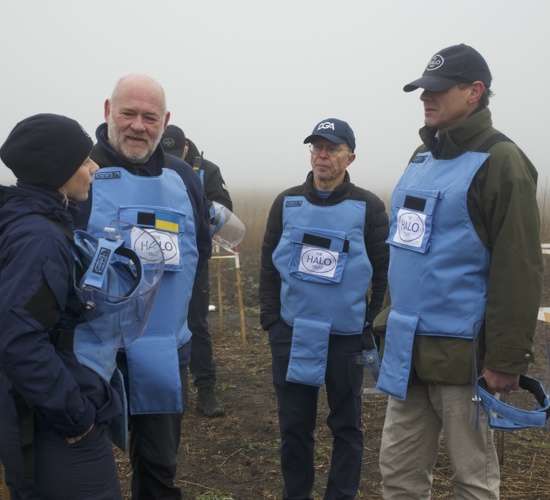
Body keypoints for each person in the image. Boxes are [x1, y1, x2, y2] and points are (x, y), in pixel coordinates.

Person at [375, 44, 543, 498]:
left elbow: (519, 267)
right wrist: (386, 324)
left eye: (438, 89)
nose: (425, 97)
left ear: (475, 92)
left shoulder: (502, 161)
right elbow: (405, 250)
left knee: (472, 479)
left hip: (464, 360)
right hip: (407, 352)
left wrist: (506, 359)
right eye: (422, 90)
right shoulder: (420, 157)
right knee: (398, 472)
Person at [74, 75, 212, 499]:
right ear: (107, 111)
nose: (138, 126)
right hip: (90, 353)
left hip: (163, 350)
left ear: (165, 120)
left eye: (150, 117)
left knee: (158, 469)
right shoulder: (79, 173)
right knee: (81, 469)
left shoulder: (185, 178)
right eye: (128, 113)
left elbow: (198, 254)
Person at [259, 118, 389, 499]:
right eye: (317, 147)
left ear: (350, 157)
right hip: (293, 333)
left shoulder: (368, 206)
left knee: (346, 427)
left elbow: (385, 273)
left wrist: (371, 325)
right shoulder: (287, 202)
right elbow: (268, 264)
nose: (323, 155)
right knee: (295, 427)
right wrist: (272, 321)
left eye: (332, 148)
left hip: (346, 339)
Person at [0, 114, 121, 498]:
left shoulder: (23, 219)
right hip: (51, 429)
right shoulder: (40, 238)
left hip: (29, 416)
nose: (94, 167)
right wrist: (76, 417)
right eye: (84, 161)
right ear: (58, 171)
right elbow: (18, 337)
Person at [161, 124, 232, 418]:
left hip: (193, 260)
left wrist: (202, 208)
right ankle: (164, 388)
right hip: (157, 257)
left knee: (197, 324)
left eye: (176, 154)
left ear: (186, 147)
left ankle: (206, 390)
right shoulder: (150, 163)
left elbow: (225, 207)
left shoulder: (208, 171)